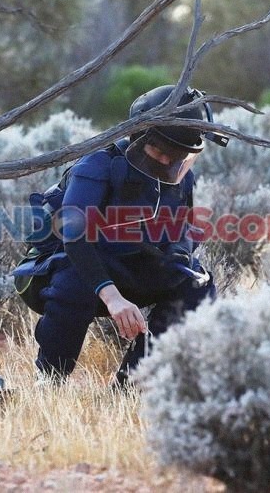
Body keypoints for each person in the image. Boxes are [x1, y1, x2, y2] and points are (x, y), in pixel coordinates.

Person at [27, 85, 223, 385]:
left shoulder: (181, 176)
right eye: (159, 151)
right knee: (73, 280)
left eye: (176, 156)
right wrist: (113, 298)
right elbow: (74, 238)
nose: (166, 162)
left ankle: (133, 384)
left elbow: (182, 226)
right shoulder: (97, 164)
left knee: (197, 286)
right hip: (71, 268)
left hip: (134, 266)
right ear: (138, 136)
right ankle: (50, 380)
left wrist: (180, 254)